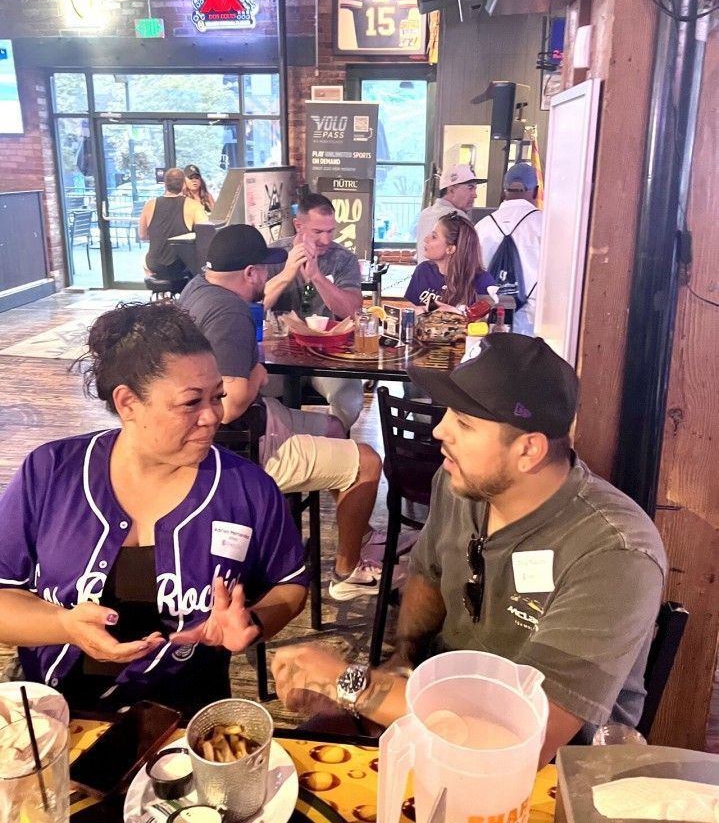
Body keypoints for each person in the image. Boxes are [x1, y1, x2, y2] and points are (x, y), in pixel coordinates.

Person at [272, 334, 667, 765]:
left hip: (548, 769)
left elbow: (526, 741)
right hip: (437, 705)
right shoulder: (461, 484)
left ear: (528, 450)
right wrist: (400, 665)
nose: (439, 430)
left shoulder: (615, 553)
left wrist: (351, 684)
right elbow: (428, 574)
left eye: (464, 422)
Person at [0, 302, 308, 717]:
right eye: (190, 402)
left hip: (185, 720)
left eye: (217, 396)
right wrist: (64, 626)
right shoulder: (52, 472)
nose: (213, 416)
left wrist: (252, 621)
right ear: (127, 402)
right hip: (57, 718)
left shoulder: (248, 489)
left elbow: (289, 585)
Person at [179, 224, 383, 602]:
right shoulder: (230, 312)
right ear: (251, 273)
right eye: (265, 269)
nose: (268, 275)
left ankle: (330, 537)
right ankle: (347, 571)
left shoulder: (195, 291)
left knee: (336, 426)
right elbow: (234, 402)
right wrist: (256, 374)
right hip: (242, 450)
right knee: (369, 461)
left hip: (231, 436)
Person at [264, 192, 364, 431]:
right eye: (318, 232)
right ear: (299, 226)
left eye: (331, 231)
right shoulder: (272, 255)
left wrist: (317, 277)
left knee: (349, 401)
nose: (326, 240)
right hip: (279, 357)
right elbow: (256, 305)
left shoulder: (343, 259)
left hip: (328, 358)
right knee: (247, 396)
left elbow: (353, 311)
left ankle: (329, 452)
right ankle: (283, 450)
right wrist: (288, 272)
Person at [475, 162, 543, 336]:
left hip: (489, 319)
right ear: (535, 191)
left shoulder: (482, 226)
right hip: (533, 322)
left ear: (503, 191)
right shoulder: (544, 224)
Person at [406, 212, 495, 311]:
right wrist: (419, 311)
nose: (426, 239)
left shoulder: (482, 281)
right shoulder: (423, 270)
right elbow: (411, 308)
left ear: (450, 249)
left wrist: (456, 314)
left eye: (434, 237)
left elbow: (488, 321)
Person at [138, 167, 206, 283]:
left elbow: (142, 235)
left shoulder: (149, 204)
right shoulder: (193, 205)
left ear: (165, 185)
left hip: (155, 265)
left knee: (145, 263)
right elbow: (205, 234)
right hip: (180, 266)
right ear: (184, 185)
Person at [415, 165, 480, 263]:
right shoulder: (458, 217)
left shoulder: (425, 214)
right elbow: (468, 261)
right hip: (448, 278)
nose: (475, 195)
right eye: (470, 188)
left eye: (475, 188)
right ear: (451, 190)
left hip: (423, 276)